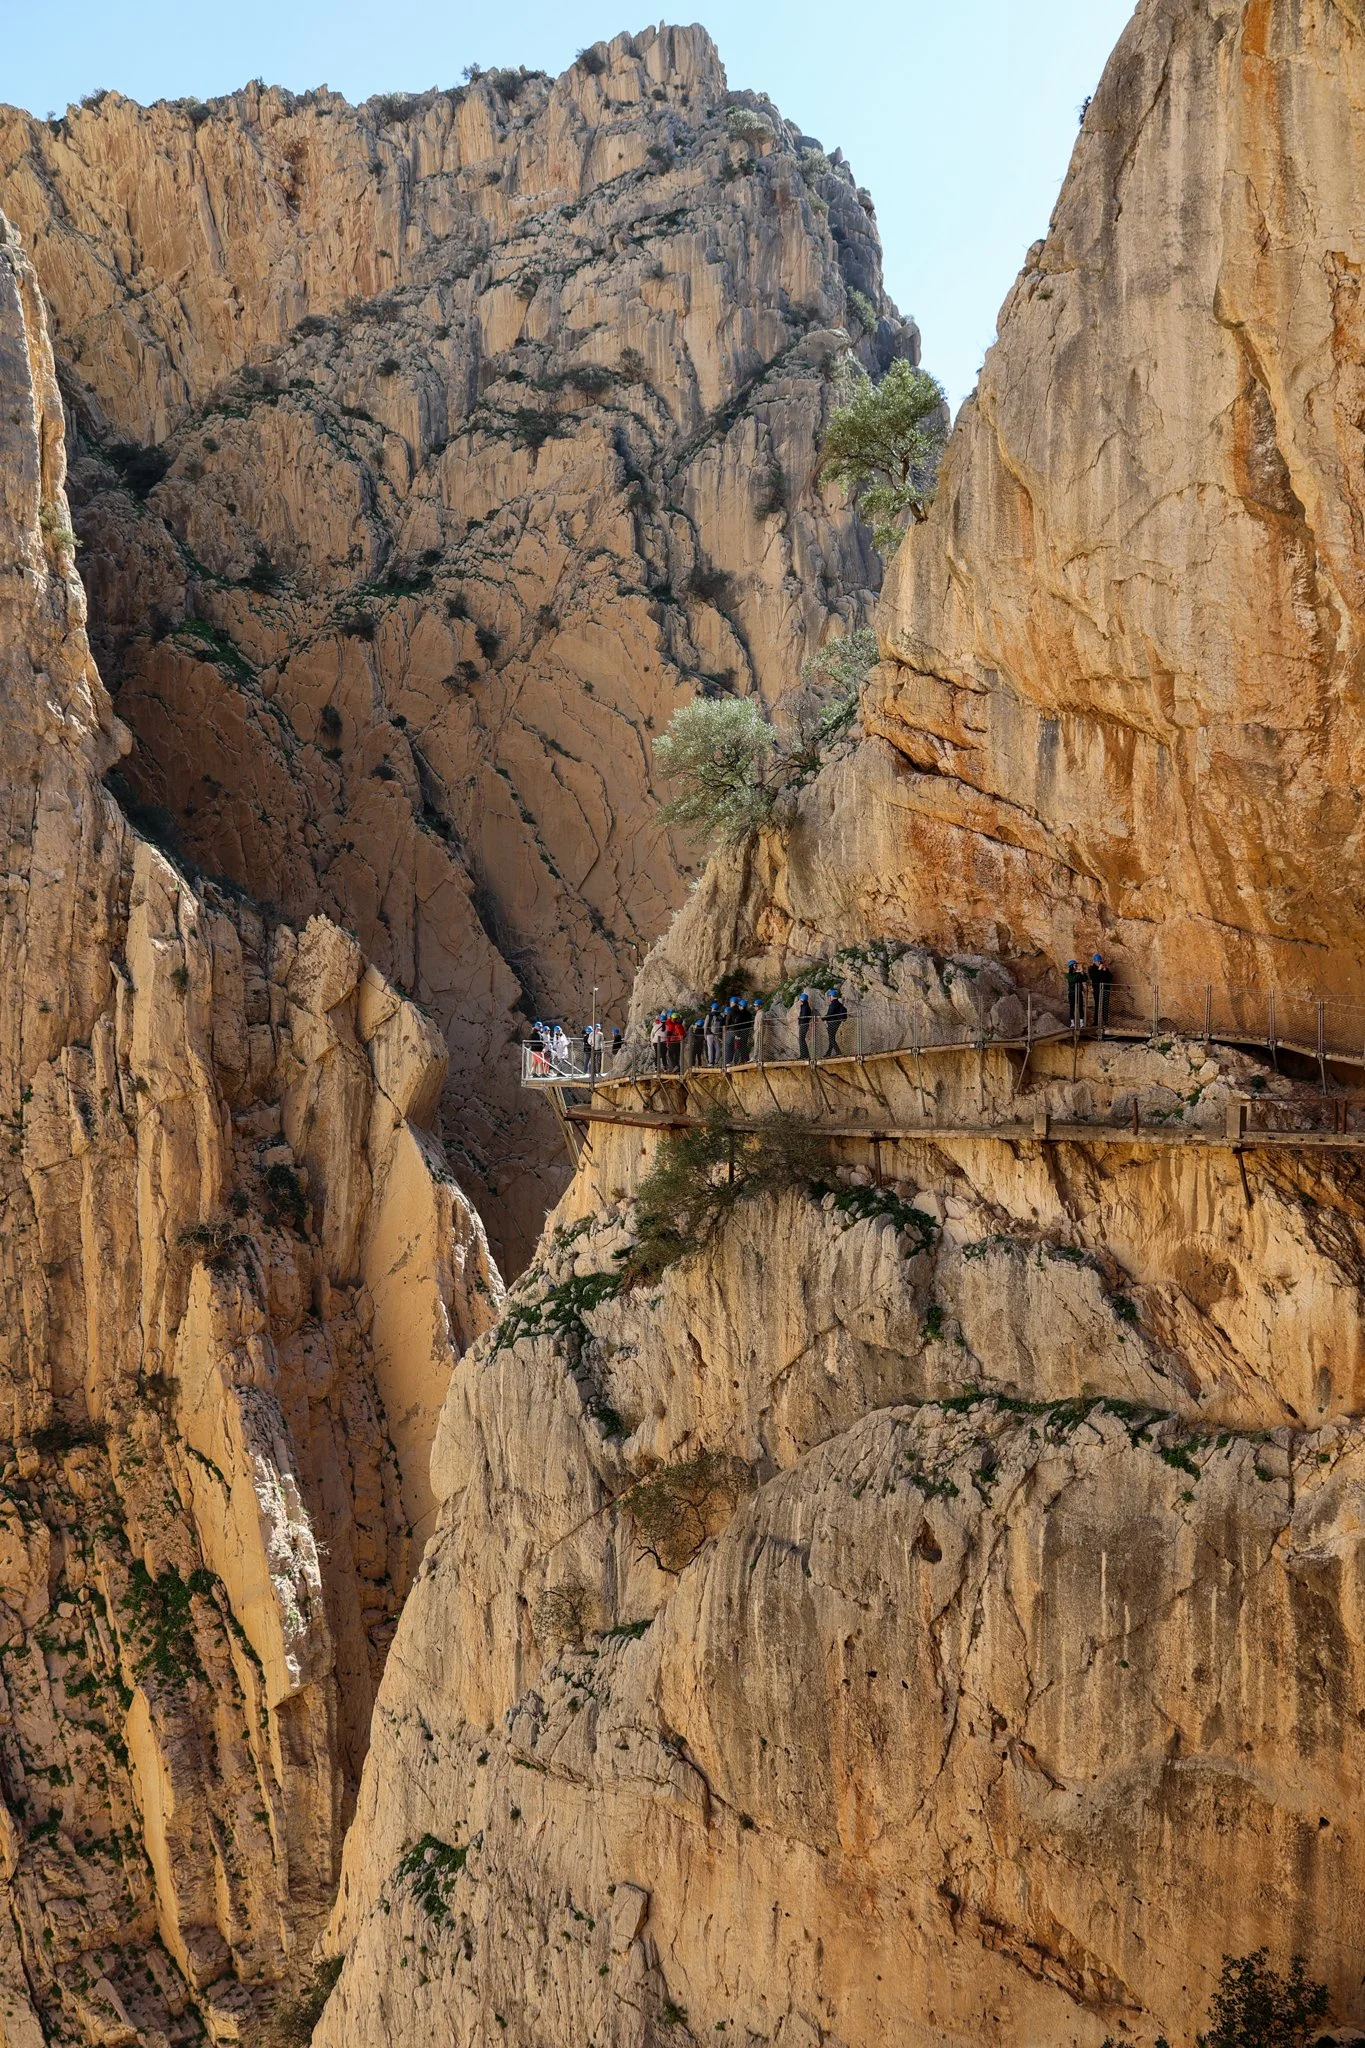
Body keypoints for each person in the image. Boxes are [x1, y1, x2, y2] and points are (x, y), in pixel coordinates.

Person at [1089, 954, 1114, 1034]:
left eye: (1099, 961)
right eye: (1097, 961)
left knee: (1105, 1005)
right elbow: (1094, 978)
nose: (1099, 962)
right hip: (1097, 990)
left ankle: (1105, 1021)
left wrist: (1105, 970)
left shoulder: (1104, 968)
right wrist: (1099, 970)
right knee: (1097, 1005)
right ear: (1094, 961)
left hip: (1105, 989)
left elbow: (1110, 977)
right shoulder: (1092, 969)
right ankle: (1096, 1021)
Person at [824, 987, 848, 1057]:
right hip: (837, 1022)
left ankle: (838, 1052)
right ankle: (828, 1053)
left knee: (831, 1038)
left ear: (831, 996)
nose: (828, 998)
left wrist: (823, 1018)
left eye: (829, 996)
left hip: (832, 1023)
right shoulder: (839, 1004)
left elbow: (830, 1013)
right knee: (832, 1038)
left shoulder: (833, 1004)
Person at [1066, 959, 1087, 1030]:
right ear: (1071, 966)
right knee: (1072, 1007)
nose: (1076, 966)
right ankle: (1072, 1023)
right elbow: (1073, 979)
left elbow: (1085, 979)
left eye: (1076, 965)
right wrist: (1079, 973)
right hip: (1072, 993)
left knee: (1080, 1007)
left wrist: (1082, 972)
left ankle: (1081, 1023)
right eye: (1075, 965)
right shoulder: (1069, 975)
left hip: (1078, 992)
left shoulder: (1078, 973)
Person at [797, 990, 814, 1061]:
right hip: (805, 1023)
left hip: (803, 1024)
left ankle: (803, 1055)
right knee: (802, 1039)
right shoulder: (806, 1006)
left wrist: (799, 1019)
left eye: (800, 999)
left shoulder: (804, 1006)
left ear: (802, 999)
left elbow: (803, 1015)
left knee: (801, 1039)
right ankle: (805, 1054)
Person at [705, 1003, 722, 1068]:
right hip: (717, 1034)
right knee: (717, 1047)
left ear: (712, 1008)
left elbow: (705, 1026)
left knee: (710, 1048)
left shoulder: (709, 1015)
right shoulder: (720, 1015)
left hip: (709, 1034)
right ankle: (716, 1061)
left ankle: (710, 1062)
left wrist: (705, 1035)